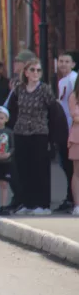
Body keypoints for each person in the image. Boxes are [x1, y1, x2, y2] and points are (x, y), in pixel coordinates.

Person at [7, 58, 58, 215]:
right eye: (33, 70)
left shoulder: (45, 90)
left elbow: (53, 112)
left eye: (38, 70)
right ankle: (26, 203)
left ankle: (42, 204)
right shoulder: (19, 89)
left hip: (39, 132)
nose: (36, 73)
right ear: (26, 73)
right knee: (23, 169)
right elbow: (12, 109)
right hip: (21, 132)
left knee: (39, 169)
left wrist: (52, 137)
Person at [55, 52, 77, 212]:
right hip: (64, 127)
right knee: (65, 165)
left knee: (71, 167)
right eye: (61, 61)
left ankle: (72, 198)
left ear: (73, 64)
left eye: (67, 61)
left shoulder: (73, 79)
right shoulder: (62, 81)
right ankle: (70, 196)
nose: (63, 64)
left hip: (72, 127)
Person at [68, 87, 79, 215]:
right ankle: (77, 205)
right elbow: (74, 117)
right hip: (77, 137)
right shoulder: (74, 96)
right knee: (77, 172)